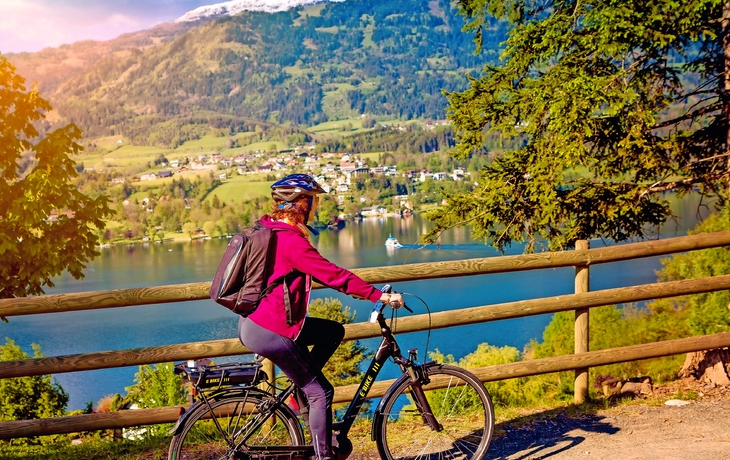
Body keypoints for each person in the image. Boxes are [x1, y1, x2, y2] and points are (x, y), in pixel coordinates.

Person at [237, 173, 402, 460]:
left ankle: (301, 393)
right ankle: (324, 455)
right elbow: (333, 274)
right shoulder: (290, 242)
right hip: (272, 329)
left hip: (260, 323)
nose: (317, 206)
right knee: (321, 393)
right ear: (301, 203)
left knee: (332, 332)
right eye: (314, 200)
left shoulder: (272, 229)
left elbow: (309, 273)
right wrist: (379, 295)